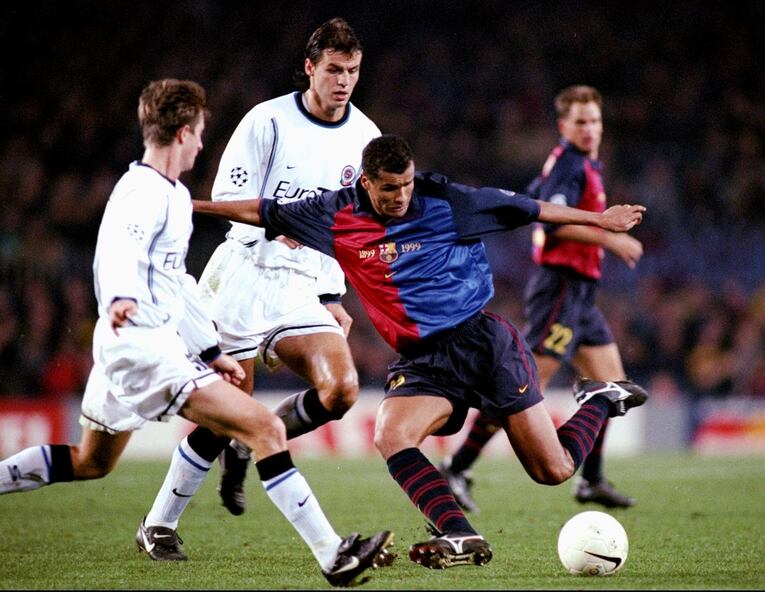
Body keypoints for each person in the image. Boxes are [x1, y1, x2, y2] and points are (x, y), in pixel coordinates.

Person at [0, 79, 393, 587]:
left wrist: (210, 349)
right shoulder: (144, 195)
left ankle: (154, 520)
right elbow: (122, 252)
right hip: (147, 350)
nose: (203, 143)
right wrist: (121, 295)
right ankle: (333, 554)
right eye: (200, 133)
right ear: (183, 133)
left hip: (130, 349)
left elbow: (177, 281)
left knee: (90, 461)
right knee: (266, 430)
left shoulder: (165, 192)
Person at [191, 133, 649, 569]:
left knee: (554, 470)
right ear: (365, 183)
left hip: (483, 345)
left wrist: (599, 221)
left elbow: (530, 209)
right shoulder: (335, 213)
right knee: (391, 434)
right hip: (424, 361)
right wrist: (187, 204)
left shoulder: (450, 201)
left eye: (407, 184)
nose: (401, 196)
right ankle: (458, 532)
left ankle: (601, 399)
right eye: (390, 188)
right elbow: (262, 210)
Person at [145, 17, 381, 524]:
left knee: (340, 389)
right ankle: (159, 523)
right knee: (230, 405)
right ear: (310, 68)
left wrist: (333, 294)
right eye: (334, 70)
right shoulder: (267, 121)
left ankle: (249, 444)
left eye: (353, 71)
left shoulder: (365, 135)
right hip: (246, 273)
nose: (344, 81)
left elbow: (352, 225)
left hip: (304, 284)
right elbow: (228, 196)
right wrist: (274, 226)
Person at [440, 84, 644, 513]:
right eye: (581, 122)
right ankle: (457, 467)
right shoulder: (570, 164)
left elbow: (536, 198)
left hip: (581, 297)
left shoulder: (574, 165)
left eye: (595, 121)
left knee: (613, 387)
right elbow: (551, 225)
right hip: (560, 289)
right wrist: (611, 239)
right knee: (523, 389)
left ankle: (591, 480)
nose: (590, 129)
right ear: (563, 126)